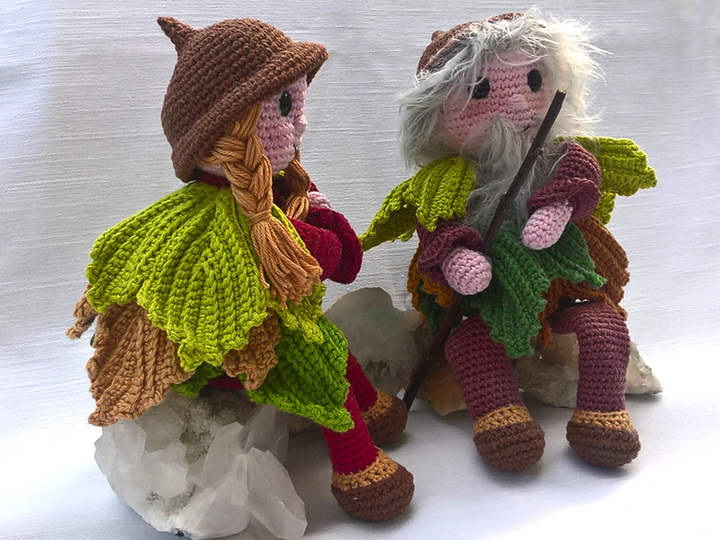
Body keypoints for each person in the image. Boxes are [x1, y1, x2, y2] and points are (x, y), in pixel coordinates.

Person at [67, 17, 412, 521]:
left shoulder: (274, 200)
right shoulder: (254, 224)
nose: (301, 124)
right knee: (318, 359)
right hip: (235, 354)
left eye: (298, 104)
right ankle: (357, 465)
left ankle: (374, 406)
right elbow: (340, 262)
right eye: (286, 107)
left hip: (258, 332)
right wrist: (320, 219)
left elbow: (341, 262)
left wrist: (310, 206)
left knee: (324, 341)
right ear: (225, 129)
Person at [362, 11, 656, 471]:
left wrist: (558, 207)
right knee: (469, 343)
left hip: (562, 285)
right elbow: (435, 223)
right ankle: (500, 418)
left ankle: (603, 412)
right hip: (492, 298)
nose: (519, 103)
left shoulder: (559, 154)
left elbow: (582, 176)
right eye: (481, 91)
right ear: (436, 117)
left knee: (605, 327)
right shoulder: (445, 179)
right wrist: (456, 257)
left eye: (534, 80)